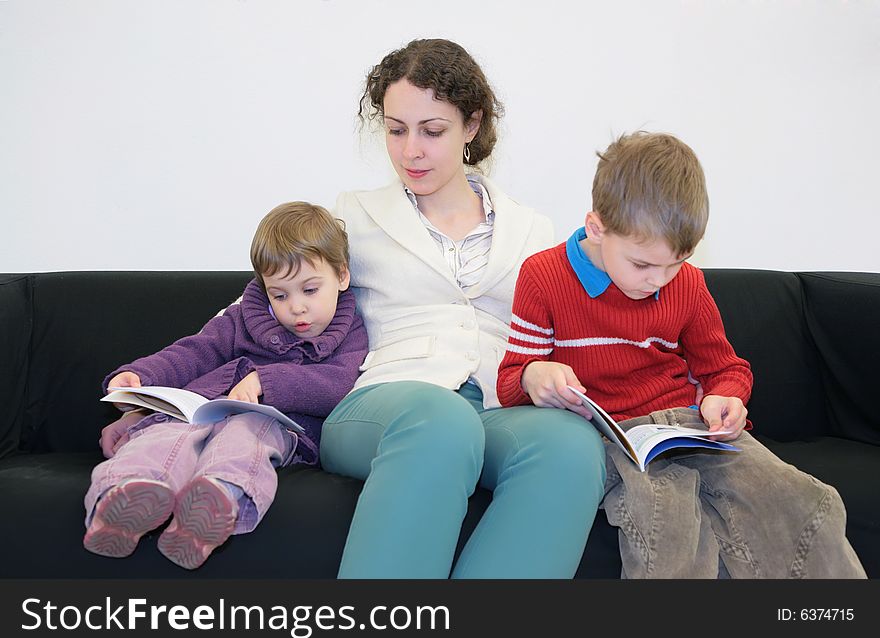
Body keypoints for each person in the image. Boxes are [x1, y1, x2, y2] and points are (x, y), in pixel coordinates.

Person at [497, 131, 867, 578]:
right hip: (618, 441)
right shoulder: (543, 276)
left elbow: (725, 369)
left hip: (691, 429)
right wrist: (536, 374)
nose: (660, 279)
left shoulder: (686, 283)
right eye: (643, 265)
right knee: (669, 530)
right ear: (597, 228)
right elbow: (511, 380)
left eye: (675, 263)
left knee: (804, 498)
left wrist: (724, 397)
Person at [319, 38, 606, 578]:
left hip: (496, 406)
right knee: (440, 421)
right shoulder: (352, 215)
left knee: (570, 445)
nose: (411, 151)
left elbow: (568, 331)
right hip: (387, 404)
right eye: (396, 129)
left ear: (471, 126)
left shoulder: (532, 229)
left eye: (432, 131)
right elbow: (264, 303)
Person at [84, 202, 368, 569]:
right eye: (279, 295)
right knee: (165, 435)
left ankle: (213, 503)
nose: (296, 308)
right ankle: (125, 497)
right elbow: (196, 351)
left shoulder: (350, 330)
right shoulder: (241, 317)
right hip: (204, 407)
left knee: (246, 437)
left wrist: (266, 380)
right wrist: (141, 376)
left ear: (342, 277)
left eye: (309, 290)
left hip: (272, 421)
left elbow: (341, 383)